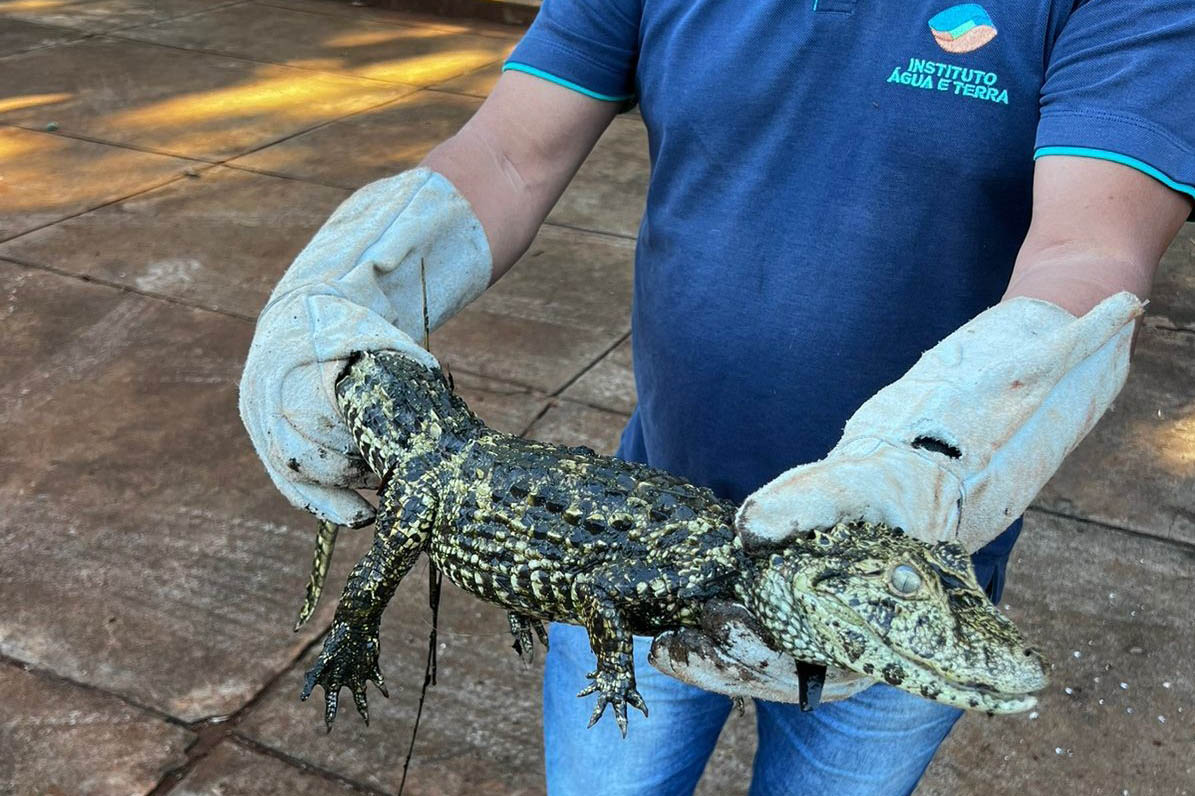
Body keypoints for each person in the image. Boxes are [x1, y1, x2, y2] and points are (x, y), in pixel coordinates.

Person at [239, 1, 1194, 793]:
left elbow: (1088, 252)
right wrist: (346, 283)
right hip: (631, 526)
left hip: (903, 568)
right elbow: (508, 155)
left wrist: (929, 461)